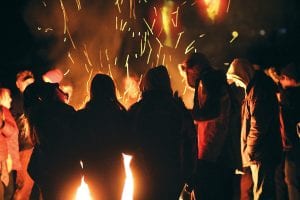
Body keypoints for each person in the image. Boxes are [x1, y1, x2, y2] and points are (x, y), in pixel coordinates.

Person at [128, 66, 198, 200]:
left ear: (147, 83)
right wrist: (190, 174)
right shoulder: (178, 109)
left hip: (143, 173)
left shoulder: (139, 109)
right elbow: (190, 142)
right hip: (172, 173)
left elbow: (127, 144)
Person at [226, 58, 282, 200]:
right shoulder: (254, 89)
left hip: (261, 153)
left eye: (237, 80)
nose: (237, 84)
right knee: (261, 191)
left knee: (263, 194)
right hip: (259, 153)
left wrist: (249, 150)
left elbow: (258, 126)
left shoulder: (258, 91)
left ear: (243, 75)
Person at [181, 53, 234, 200]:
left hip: (211, 152)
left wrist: (185, 113)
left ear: (195, 68)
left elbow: (211, 112)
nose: (187, 77)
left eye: (187, 71)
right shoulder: (217, 80)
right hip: (221, 152)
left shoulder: (208, 80)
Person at [74, 74, 129, 200]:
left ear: (92, 90)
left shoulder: (83, 116)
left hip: (93, 170)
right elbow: (127, 146)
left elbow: (77, 146)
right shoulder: (118, 115)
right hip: (116, 171)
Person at [25, 82, 79, 200]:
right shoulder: (64, 111)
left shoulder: (38, 113)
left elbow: (33, 166)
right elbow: (77, 137)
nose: (62, 91)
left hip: (48, 173)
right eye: (58, 88)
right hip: (65, 171)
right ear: (54, 93)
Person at [275, 62, 300, 200]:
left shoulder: (291, 96)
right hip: (287, 147)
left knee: (292, 182)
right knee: (284, 180)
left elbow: (287, 100)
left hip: (292, 147)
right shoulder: (286, 95)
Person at [11, 70, 35, 200]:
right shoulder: (16, 101)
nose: (29, 83)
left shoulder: (34, 99)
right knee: (23, 187)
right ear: (18, 83)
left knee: (32, 187)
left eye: (30, 80)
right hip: (25, 149)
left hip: (35, 147)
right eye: (25, 80)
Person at [0, 87, 21, 200]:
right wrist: (3, 125)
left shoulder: (5, 111)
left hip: (7, 157)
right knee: (7, 192)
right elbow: (10, 131)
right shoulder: (3, 111)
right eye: (8, 97)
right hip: (5, 158)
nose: (11, 100)